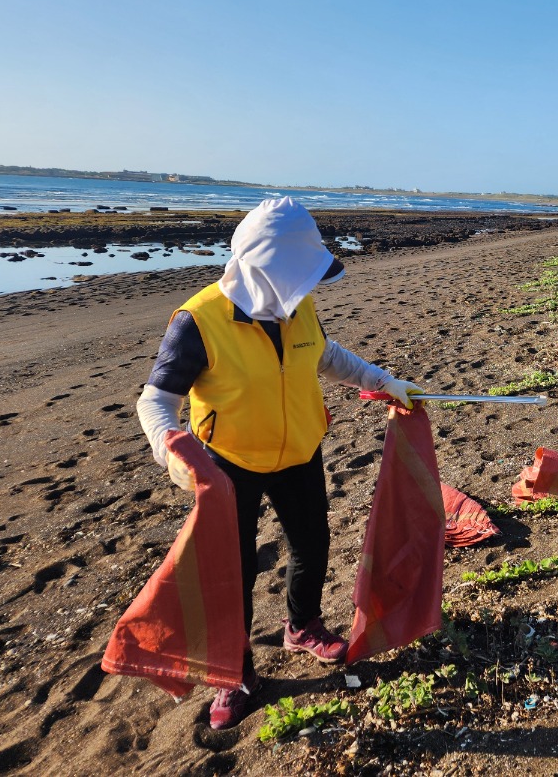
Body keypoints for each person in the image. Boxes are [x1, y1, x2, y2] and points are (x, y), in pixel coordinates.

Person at [135, 197, 424, 730]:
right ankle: (235, 673)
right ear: (266, 271)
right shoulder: (197, 321)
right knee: (235, 571)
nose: (309, 289)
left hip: (299, 451)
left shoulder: (296, 307)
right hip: (229, 463)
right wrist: (170, 446)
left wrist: (383, 381)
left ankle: (302, 626)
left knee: (312, 544)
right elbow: (155, 400)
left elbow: (326, 355)